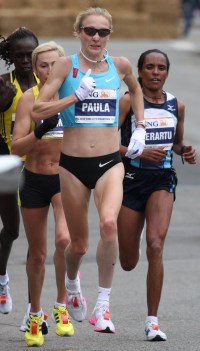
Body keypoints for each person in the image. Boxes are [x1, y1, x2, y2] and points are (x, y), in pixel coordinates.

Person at [31, 6, 146, 336]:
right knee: (78, 245)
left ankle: (103, 306)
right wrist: (73, 99)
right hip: (73, 166)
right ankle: (71, 283)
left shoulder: (119, 65)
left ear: (110, 34)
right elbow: (40, 109)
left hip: (110, 161)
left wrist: (140, 126)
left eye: (103, 32)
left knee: (109, 224)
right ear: (78, 32)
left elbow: (135, 91)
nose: (96, 37)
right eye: (90, 31)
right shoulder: (66, 66)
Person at [117, 49, 197, 341]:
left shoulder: (178, 105)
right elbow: (103, 144)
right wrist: (136, 151)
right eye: (149, 67)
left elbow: (177, 143)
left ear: (166, 72)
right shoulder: (127, 102)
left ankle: (152, 321)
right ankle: (134, 236)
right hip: (130, 180)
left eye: (161, 68)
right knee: (127, 262)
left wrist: (185, 150)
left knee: (156, 245)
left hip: (162, 180)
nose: (155, 72)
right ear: (139, 71)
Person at [12, 41, 74, 347]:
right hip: (34, 179)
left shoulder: (72, 97)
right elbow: (16, 147)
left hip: (65, 179)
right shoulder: (29, 98)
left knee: (64, 240)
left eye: (54, 64)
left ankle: (62, 305)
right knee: (37, 254)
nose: (49, 71)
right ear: (35, 70)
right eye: (43, 65)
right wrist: (39, 130)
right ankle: (35, 314)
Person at [0, 27, 39, 315]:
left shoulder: (47, 83)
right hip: (6, 160)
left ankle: (34, 305)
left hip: (39, 160)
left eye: (30, 54)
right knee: (12, 230)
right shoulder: (2, 84)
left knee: (36, 235)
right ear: (10, 58)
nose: (26, 60)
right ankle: (2, 280)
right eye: (20, 55)